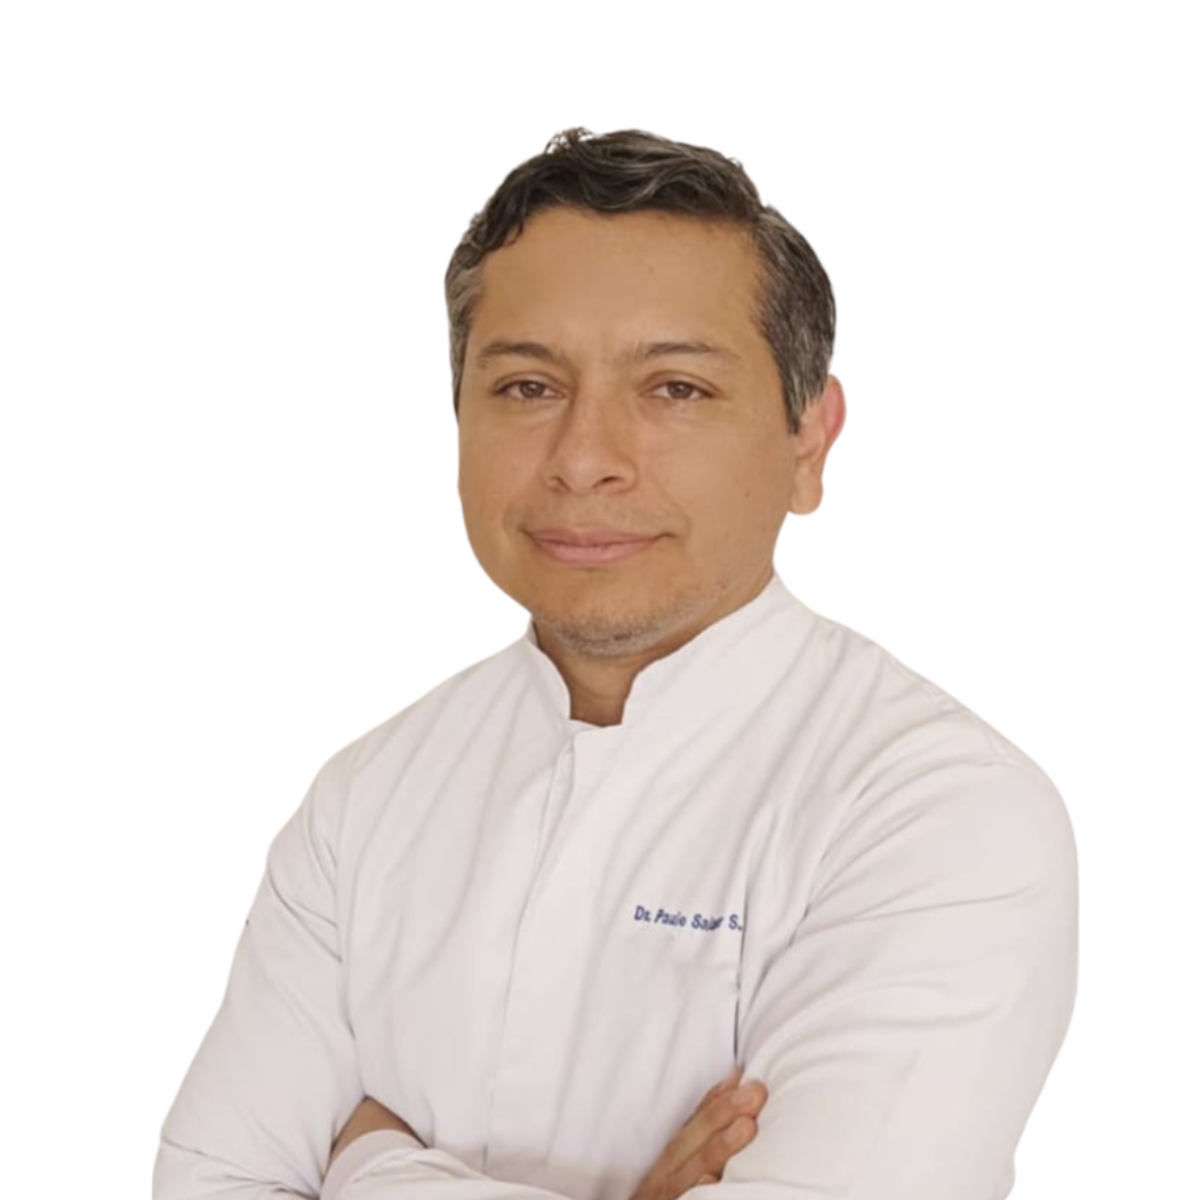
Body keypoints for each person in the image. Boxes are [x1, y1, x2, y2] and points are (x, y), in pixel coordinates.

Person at [153, 127, 1078, 1200]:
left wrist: (369, 1163)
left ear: (808, 441)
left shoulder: (940, 810)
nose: (585, 459)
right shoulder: (363, 802)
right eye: (527, 387)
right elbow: (206, 1184)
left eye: (675, 388)